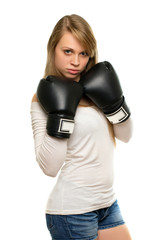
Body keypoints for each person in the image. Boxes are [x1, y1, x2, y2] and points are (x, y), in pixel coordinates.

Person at [30, 14, 133, 240]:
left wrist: (115, 102)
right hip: (72, 212)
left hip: (107, 204)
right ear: (53, 49)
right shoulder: (42, 99)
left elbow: (125, 136)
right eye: (68, 51)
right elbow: (50, 167)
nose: (76, 62)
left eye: (83, 53)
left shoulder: (97, 87)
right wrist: (61, 113)